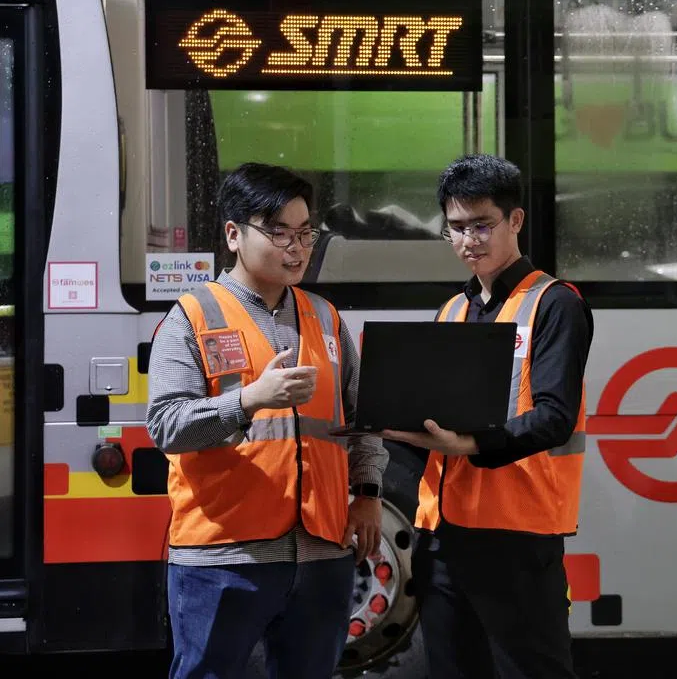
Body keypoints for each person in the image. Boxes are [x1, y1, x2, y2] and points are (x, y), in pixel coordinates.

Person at [146, 162, 388, 679]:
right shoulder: (191, 317)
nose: (297, 248)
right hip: (224, 557)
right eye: (279, 233)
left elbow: (363, 419)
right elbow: (166, 425)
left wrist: (367, 495)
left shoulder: (325, 317)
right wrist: (249, 400)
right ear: (234, 234)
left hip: (322, 553)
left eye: (306, 234)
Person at [381, 153, 592, 679]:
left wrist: (470, 445)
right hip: (443, 539)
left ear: (515, 220)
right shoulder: (452, 309)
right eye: (456, 228)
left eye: (482, 225)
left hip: (516, 539)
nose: (468, 240)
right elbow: (433, 417)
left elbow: (554, 418)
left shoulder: (555, 303)